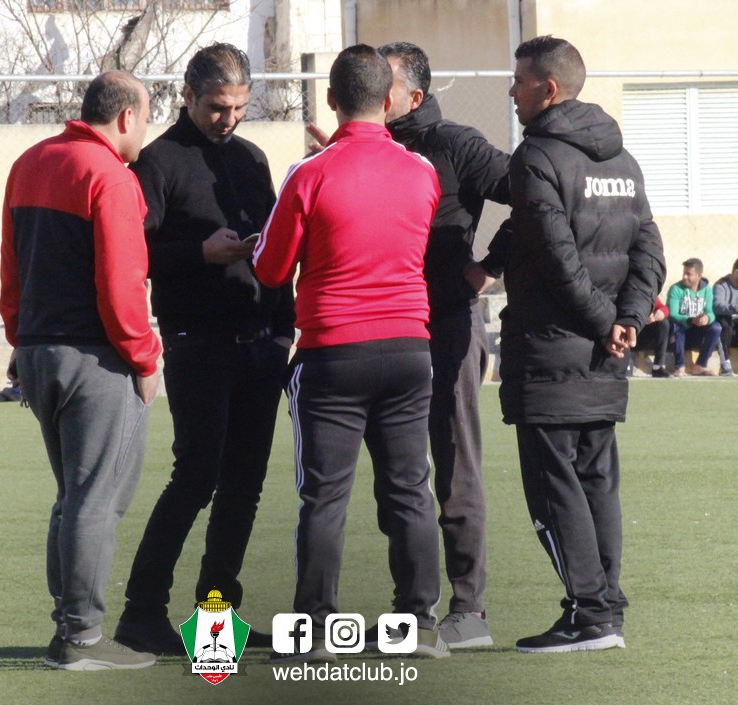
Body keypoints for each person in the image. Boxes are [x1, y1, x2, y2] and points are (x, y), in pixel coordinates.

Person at [253, 44, 449, 661]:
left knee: (325, 496)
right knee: (410, 489)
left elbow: (269, 268)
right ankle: (419, 625)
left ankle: (315, 631)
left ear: (331, 99)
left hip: (334, 351)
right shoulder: (422, 171)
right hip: (410, 347)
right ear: (390, 101)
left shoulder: (309, 173)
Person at [115, 44, 295, 656]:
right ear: (187, 96)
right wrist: (200, 253)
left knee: (244, 486)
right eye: (219, 107)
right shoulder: (158, 162)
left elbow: (277, 248)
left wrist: (283, 329)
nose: (230, 118)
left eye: (240, 107)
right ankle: (142, 613)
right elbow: (133, 255)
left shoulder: (251, 158)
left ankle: (216, 624)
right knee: (195, 478)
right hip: (198, 344)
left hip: (260, 345)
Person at [500, 36, 665, 653]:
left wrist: (605, 322)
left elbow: (554, 255)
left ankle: (589, 614)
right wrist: (628, 319)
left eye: (519, 81)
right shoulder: (623, 160)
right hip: (606, 354)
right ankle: (606, 608)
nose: (512, 91)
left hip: (553, 351)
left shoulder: (536, 155)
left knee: (555, 487)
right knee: (596, 480)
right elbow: (650, 248)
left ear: (548, 90)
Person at [0, 71, 161, 671]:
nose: (146, 131)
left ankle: (68, 626)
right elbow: (122, 285)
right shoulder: (111, 177)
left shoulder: (30, 162)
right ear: (125, 117)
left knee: (73, 497)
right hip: (96, 358)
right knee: (97, 500)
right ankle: (82, 637)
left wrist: (20, 338)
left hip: (39, 351)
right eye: (147, 118)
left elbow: (11, 265)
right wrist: (145, 356)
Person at [377, 40, 511, 648]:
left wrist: (487, 268)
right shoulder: (365, 146)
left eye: (384, 83)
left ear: (414, 96)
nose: (373, 92)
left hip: (447, 324)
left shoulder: (455, 143)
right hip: (381, 327)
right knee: (397, 474)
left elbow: (536, 194)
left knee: (454, 465)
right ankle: (412, 610)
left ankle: (468, 610)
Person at [666, 258, 721, 377]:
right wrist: (690, 320)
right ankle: (680, 366)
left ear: (699, 276)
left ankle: (700, 366)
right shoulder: (676, 289)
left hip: (697, 332)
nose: (684, 277)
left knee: (716, 328)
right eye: (684, 273)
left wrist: (707, 318)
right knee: (676, 327)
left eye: (688, 274)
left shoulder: (707, 290)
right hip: (680, 332)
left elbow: (711, 312)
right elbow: (672, 313)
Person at [633, 298, 671, 377]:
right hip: (630, 332)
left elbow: (664, 308)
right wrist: (642, 317)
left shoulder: (649, 294)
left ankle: (658, 366)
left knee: (664, 323)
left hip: (644, 336)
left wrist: (661, 312)